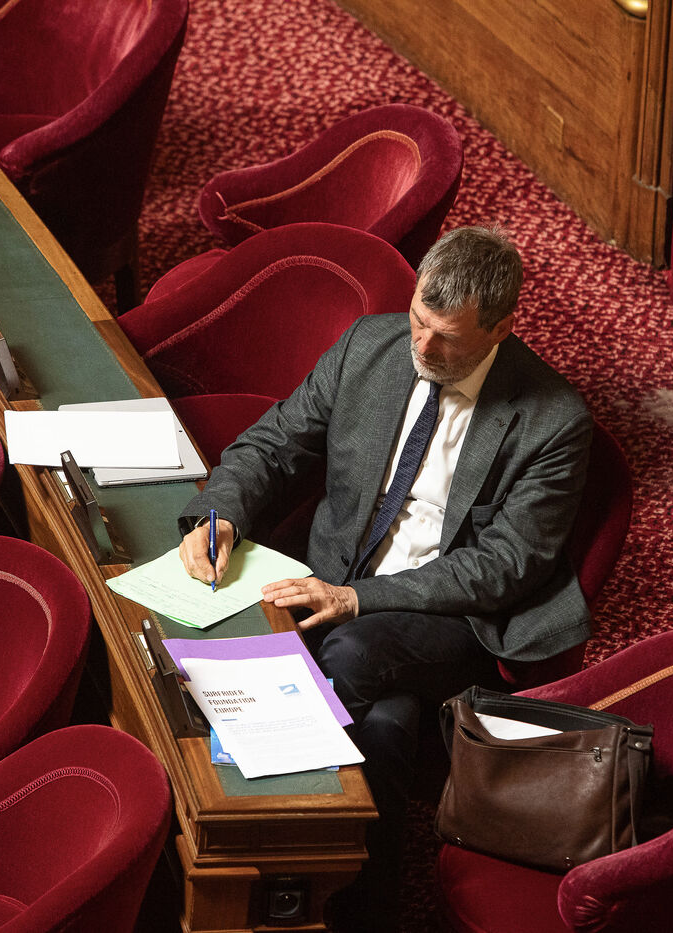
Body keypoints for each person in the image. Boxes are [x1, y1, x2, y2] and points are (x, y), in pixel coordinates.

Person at [177, 225, 593, 931]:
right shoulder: (368, 346)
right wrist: (219, 517)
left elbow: (503, 566)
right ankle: (357, 910)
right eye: (418, 320)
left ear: (500, 329)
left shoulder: (553, 420)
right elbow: (275, 443)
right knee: (387, 726)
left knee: (354, 649)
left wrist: (355, 599)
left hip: (454, 611)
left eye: (447, 339)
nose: (422, 346)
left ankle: (251, 820)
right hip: (336, 575)